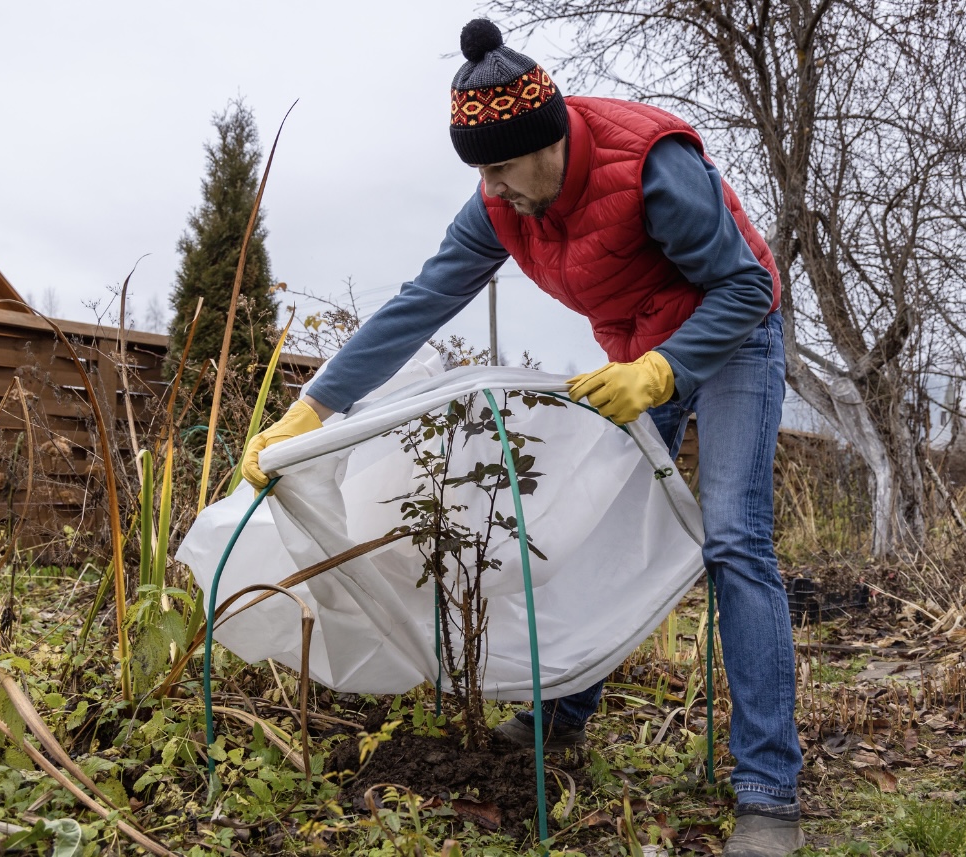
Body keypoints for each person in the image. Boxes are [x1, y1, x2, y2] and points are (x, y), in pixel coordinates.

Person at [242, 18, 803, 856]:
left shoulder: (652, 168)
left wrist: (661, 371)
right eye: (481, 172)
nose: (492, 189)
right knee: (597, 530)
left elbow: (744, 283)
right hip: (634, 346)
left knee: (732, 539)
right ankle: (560, 716)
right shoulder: (500, 206)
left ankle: (767, 795)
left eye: (502, 166)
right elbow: (421, 300)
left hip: (731, 335)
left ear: (551, 142)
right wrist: (317, 408)